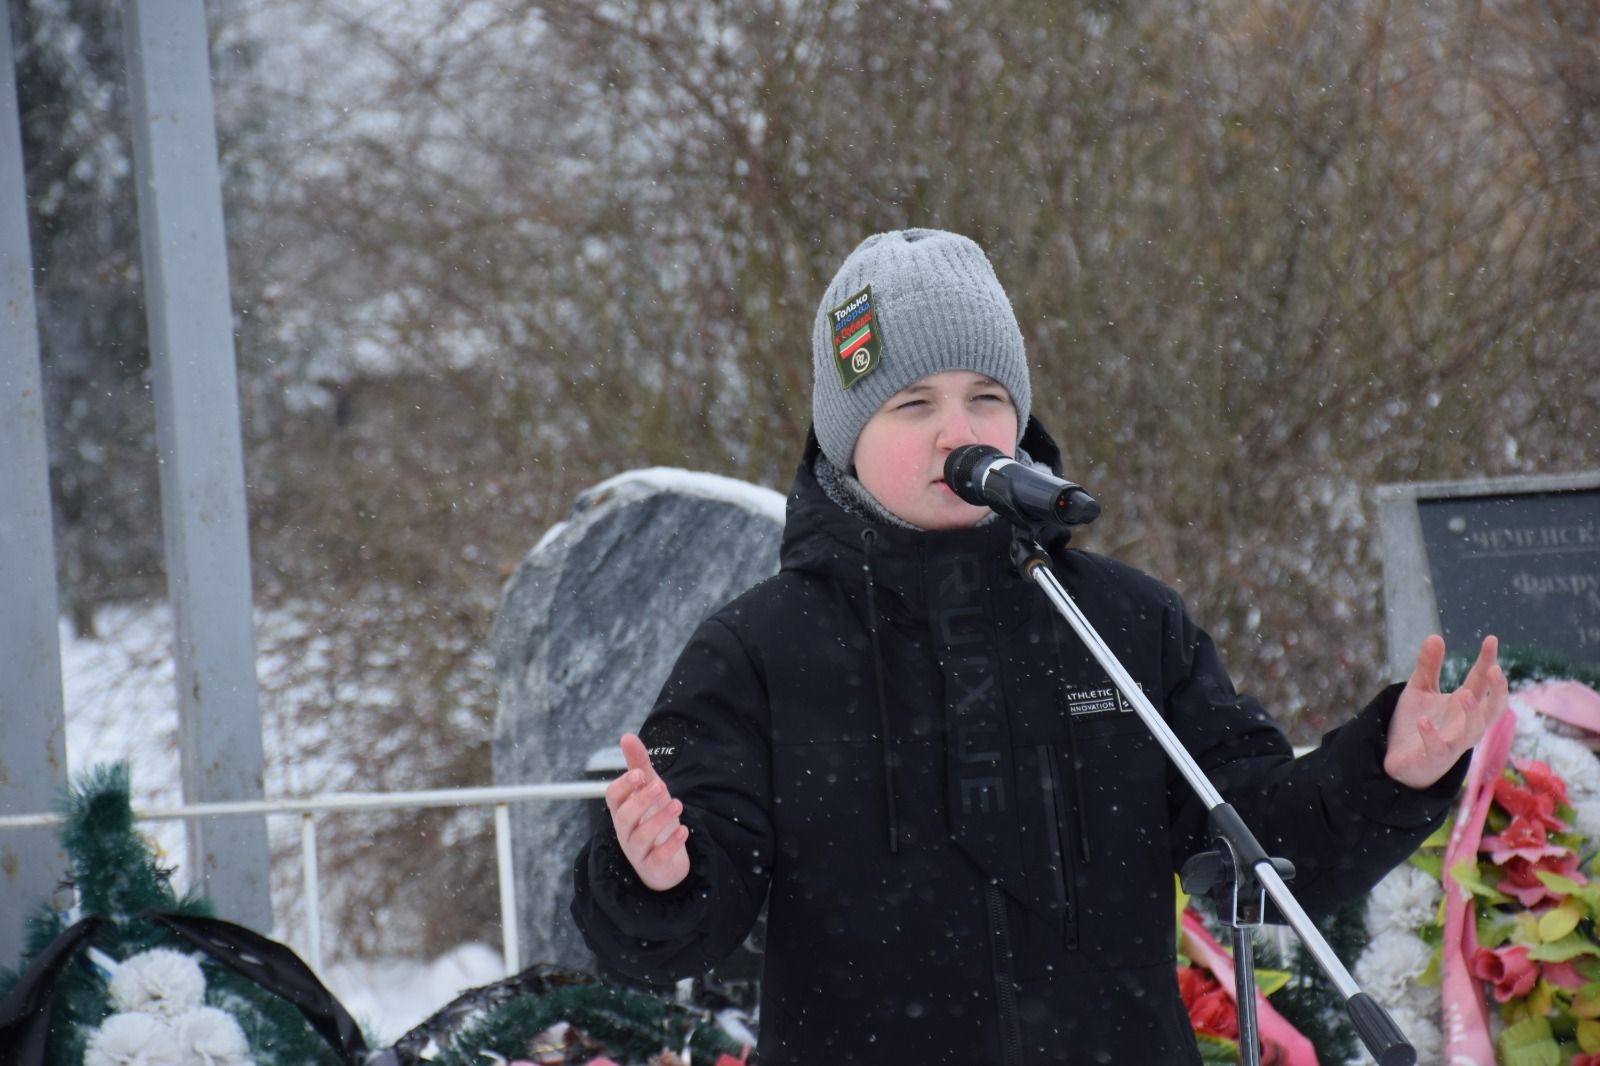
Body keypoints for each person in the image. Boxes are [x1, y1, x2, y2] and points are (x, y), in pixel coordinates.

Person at [570, 229, 1506, 1064]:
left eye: (985, 396)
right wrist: (657, 873)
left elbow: (1261, 844)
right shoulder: (758, 648)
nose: (958, 430)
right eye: (912, 404)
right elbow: (677, 930)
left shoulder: (1123, 621)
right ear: (845, 438)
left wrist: (1391, 769)